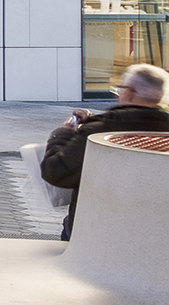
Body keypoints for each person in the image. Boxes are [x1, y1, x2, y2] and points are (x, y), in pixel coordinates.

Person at [40, 63, 169, 241]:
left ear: (129, 92)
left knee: (70, 226)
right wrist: (94, 119)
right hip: (157, 229)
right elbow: (139, 120)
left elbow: (56, 172)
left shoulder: (99, 132)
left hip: (98, 228)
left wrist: (61, 136)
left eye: (120, 89)